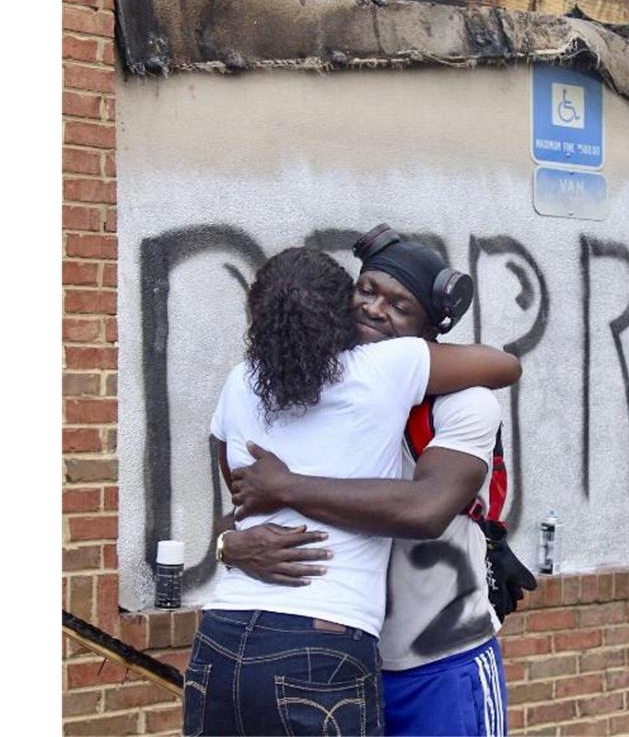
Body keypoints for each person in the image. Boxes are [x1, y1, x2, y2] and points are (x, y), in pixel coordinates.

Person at [183, 245, 521, 737]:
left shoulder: (461, 401)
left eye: (400, 306)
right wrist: (228, 546)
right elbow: (243, 501)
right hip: (338, 652)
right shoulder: (292, 381)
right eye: (366, 291)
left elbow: (426, 509)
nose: (374, 309)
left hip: (434, 661)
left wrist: (289, 487)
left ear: (431, 333)